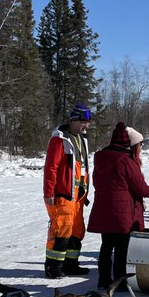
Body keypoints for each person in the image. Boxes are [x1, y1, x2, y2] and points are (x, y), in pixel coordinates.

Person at [88, 122, 149, 290]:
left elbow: (96, 182)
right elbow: (140, 187)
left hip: (104, 208)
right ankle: (119, 282)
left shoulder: (100, 158)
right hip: (122, 212)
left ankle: (103, 279)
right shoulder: (126, 161)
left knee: (106, 246)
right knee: (121, 248)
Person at [43, 102, 92, 279]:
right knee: (61, 229)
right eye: (83, 122)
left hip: (78, 196)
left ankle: (71, 265)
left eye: (87, 122)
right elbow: (51, 168)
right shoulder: (60, 139)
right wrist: (49, 192)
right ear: (73, 120)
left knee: (76, 230)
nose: (85, 125)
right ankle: (53, 267)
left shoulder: (82, 138)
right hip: (62, 194)